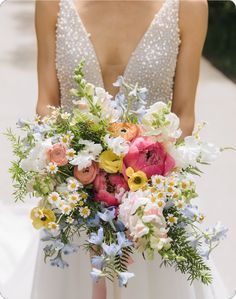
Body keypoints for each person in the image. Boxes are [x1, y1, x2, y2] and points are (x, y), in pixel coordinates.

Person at [33, 0, 229, 298]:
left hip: (150, 211)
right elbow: (46, 102)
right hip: (74, 199)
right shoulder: (51, 4)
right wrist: (76, 170)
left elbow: (184, 113)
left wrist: (138, 187)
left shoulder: (189, 6)